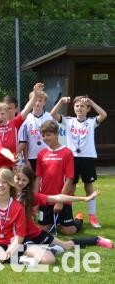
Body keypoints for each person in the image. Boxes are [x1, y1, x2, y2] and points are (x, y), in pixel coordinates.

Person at [50, 95, 107, 228]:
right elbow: (53, 114)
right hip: (72, 158)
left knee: (88, 187)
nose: (79, 108)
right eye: (77, 106)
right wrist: (60, 101)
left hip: (88, 158)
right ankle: (69, 215)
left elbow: (103, 114)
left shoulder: (92, 121)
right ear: (74, 108)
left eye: (82, 106)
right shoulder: (69, 120)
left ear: (88, 109)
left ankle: (92, 216)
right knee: (70, 187)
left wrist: (91, 102)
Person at [34, 121, 80, 235]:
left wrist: (60, 201)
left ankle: (78, 220)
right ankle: (57, 221)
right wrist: (35, 200)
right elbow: (38, 178)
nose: (45, 138)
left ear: (56, 134)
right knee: (43, 231)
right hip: (46, 199)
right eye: (43, 135)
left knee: (68, 231)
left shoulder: (67, 152)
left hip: (62, 199)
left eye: (48, 135)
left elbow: (70, 178)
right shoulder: (41, 154)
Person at [17, 83, 52, 170]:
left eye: (40, 100)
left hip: (47, 155)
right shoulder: (26, 118)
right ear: (31, 101)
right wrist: (26, 159)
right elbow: (24, 142)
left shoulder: (49, 117)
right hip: (31, 156)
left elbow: (54, 138)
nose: (37, 103)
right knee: (33, 180)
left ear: (44, 102)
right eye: (35, 100)